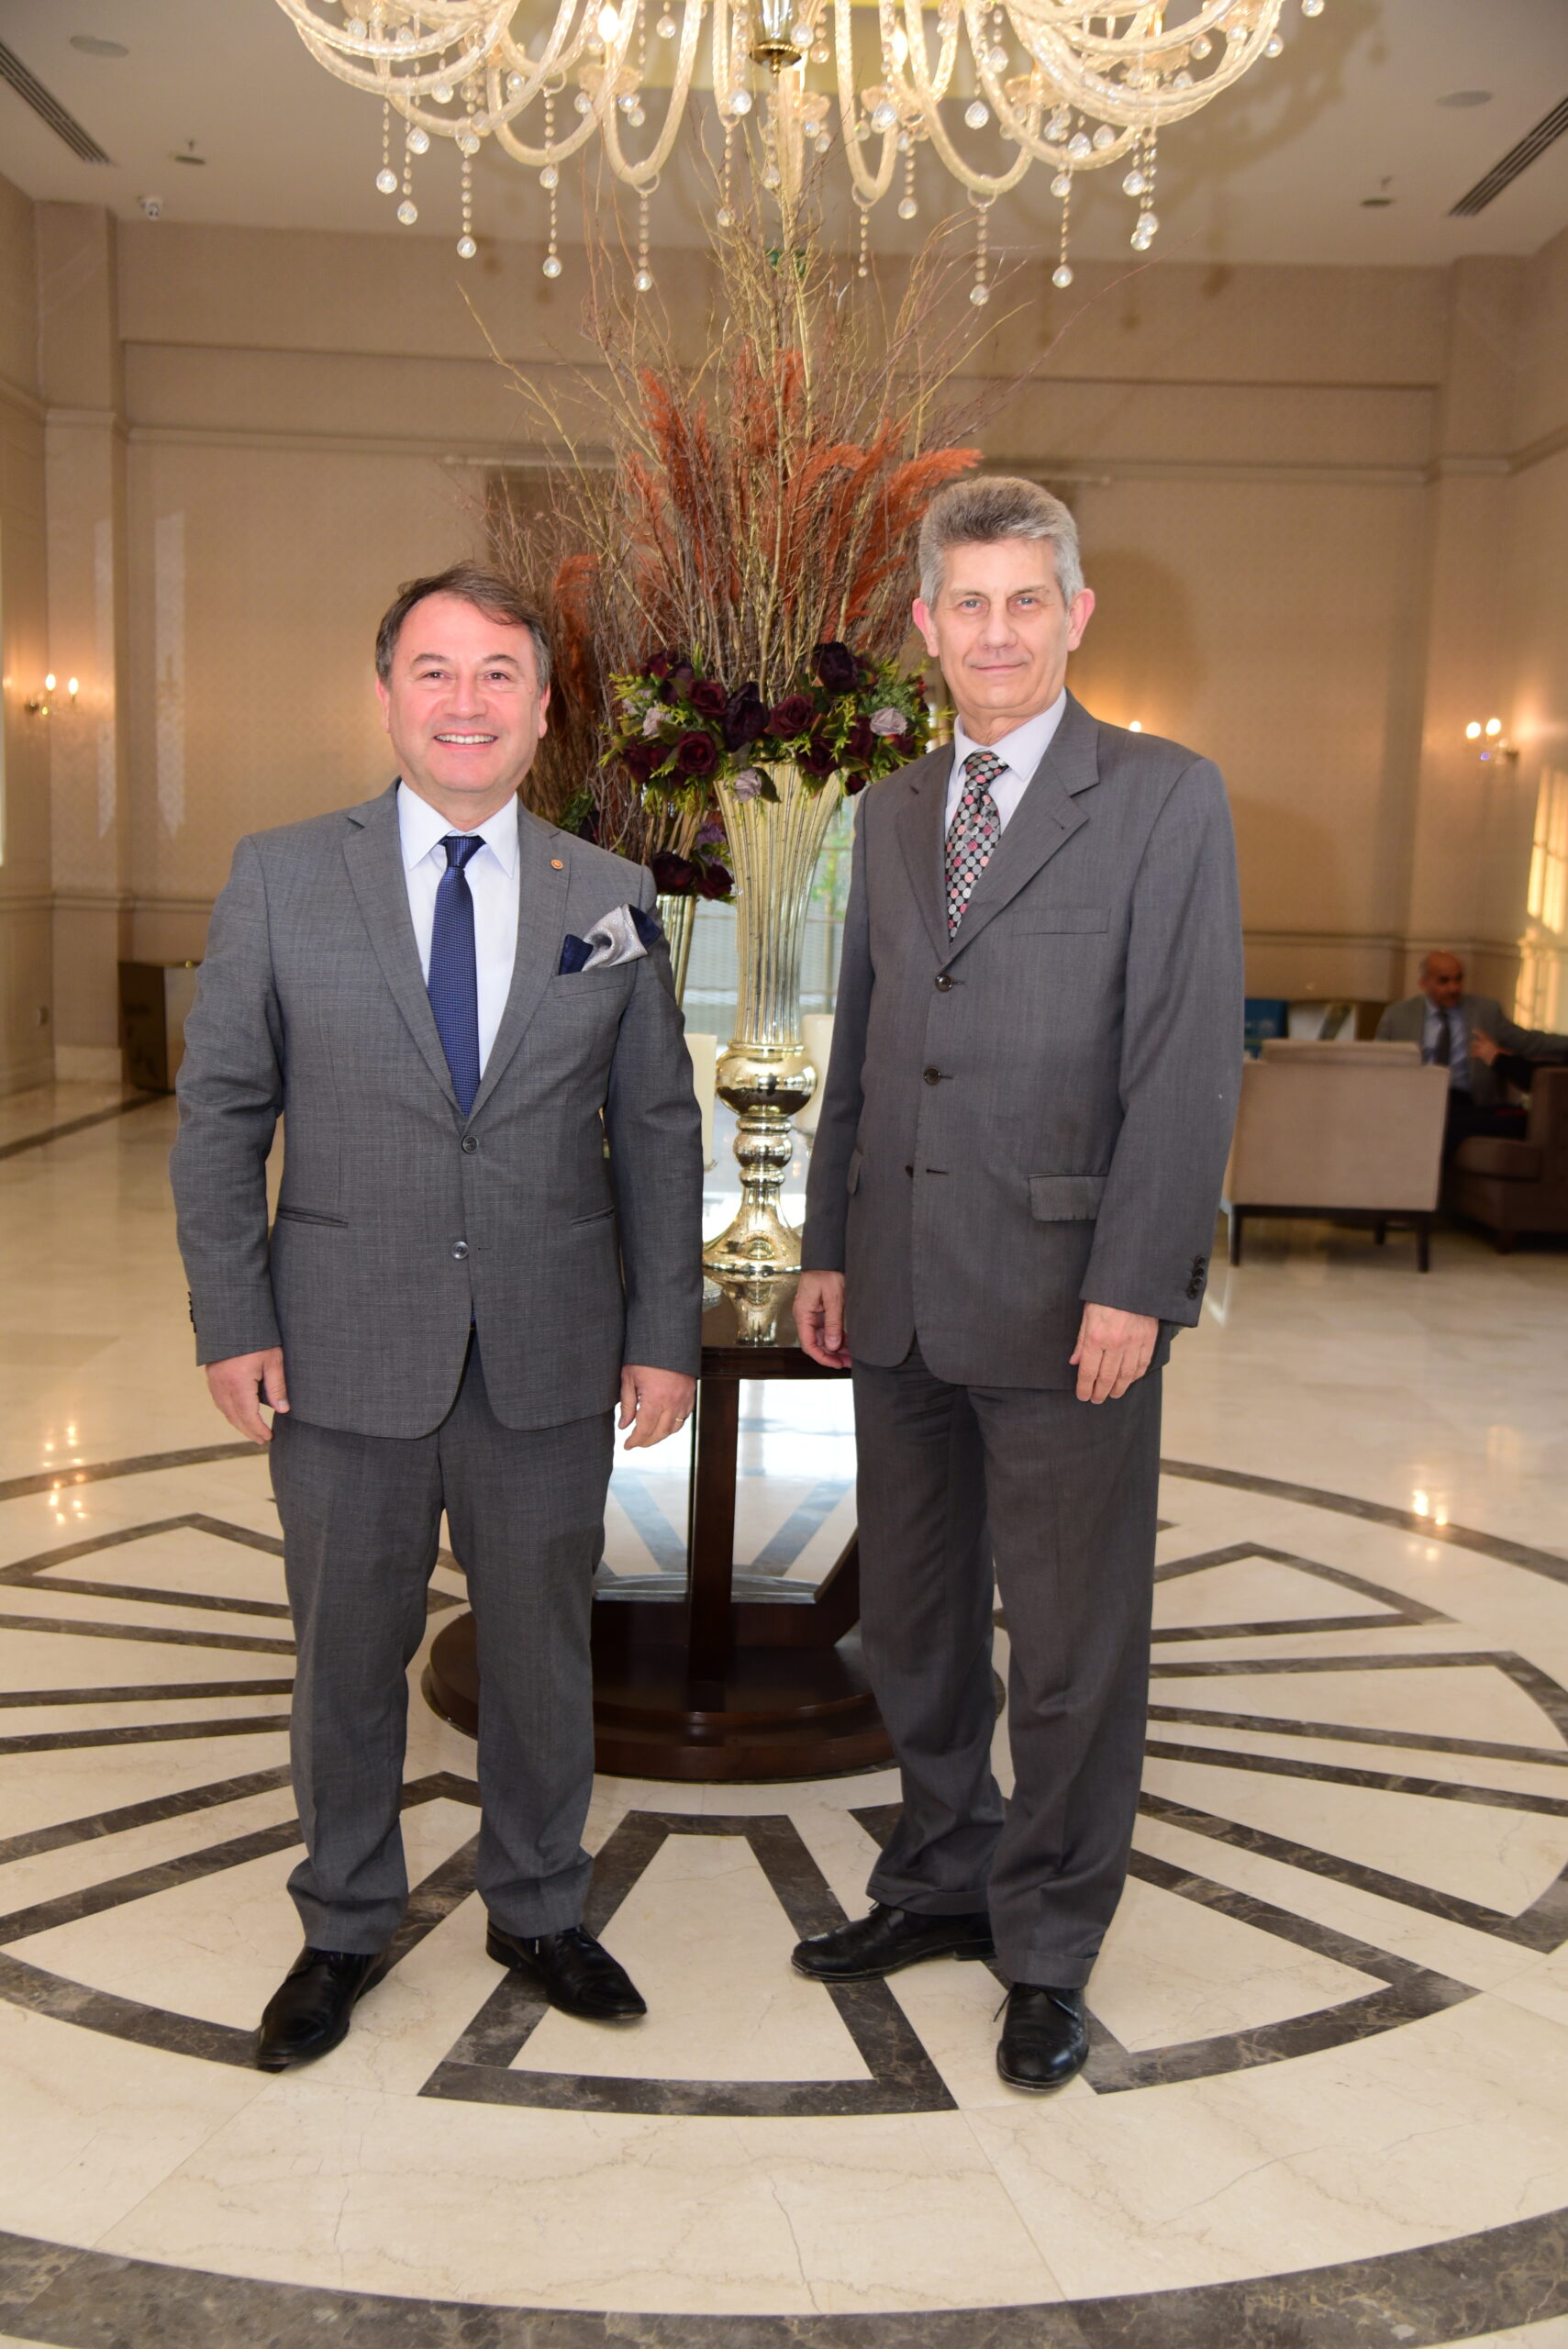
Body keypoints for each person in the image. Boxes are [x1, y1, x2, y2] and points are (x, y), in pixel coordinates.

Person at [171, 563, 704, 2071]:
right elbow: (220, 1114)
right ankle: (344, 1922)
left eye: (496, 675)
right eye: (433, 670)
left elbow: (656, 1129)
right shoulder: (282, 875)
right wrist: (231, 1315)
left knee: (540, 1652)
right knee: (346, 1656)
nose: (464, 701)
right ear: (386, 695)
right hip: (339, 1341)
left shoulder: (608, 894)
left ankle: (539, 1906)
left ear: (541, 709)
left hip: (549, 1345)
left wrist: (663, 1331)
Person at [792, 478, 1242, 2093]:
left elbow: (1184, 1062)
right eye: (965, 604)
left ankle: (1046, 1942)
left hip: (1069, 1305)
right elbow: (862, 1046)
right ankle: (937, 1872)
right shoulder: (890, 811)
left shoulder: (1163, 798)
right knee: (913, 1626)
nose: (994, 633)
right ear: (925, 626)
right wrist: (827, 1243)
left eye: (1023, 601)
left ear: (1074, 614)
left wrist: (1137, 1283)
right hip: (901, 1291)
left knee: (1066, 1650)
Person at [1374, 951, 1568, 1153]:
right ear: (1423, 983)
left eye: (1458, 979)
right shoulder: (1398, 1015)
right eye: (1444, 981)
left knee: (1450, 1124)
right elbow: (1378, 1060)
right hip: (1418, 1098)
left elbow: (1530, 1042)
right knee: (1424, 1120)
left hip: (1468, 1102)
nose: (1454, 988)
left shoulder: (1486, 1012)